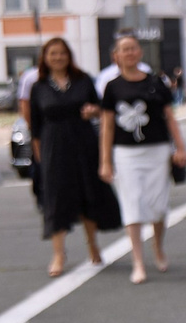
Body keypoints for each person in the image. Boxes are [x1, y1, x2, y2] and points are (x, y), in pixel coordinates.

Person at [98, 32, 186, 284]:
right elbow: (106, 126)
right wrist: (105, 161)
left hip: (157, 150)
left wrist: (179, 148)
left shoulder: (156, 82)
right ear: (116, 56)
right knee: (132, 204)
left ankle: (158, 246)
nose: (129, 53)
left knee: (158, 206)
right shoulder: (112, 87)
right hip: (126, 153)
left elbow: (170, 117)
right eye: (124, 49)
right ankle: (138, 262)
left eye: (133, 48)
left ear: (140, 52)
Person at [25, 36, 117, 276]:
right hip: (53, 146)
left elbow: (101, 109)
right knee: (56, 200)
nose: (58, 58)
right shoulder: (39, 86)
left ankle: (92, 244)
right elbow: (34, 126)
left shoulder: (83, 80)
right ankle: (59, 254)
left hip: (83, 142)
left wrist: (93, 111)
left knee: (88, 193)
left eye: (62, 53)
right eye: (52, 54)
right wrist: (39, 158)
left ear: (69, 56)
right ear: (45, 58)